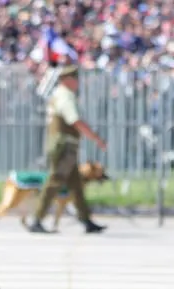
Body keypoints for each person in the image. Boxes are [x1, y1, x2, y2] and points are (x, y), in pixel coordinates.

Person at [28, 65, 106, 235]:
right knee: (55, 181)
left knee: (76, 185)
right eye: (74, 78)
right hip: (64, 147)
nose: (77, 82)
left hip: (63, 146)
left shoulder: (59, 95)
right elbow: (75, 120)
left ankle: (86, 220)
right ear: (66, 80)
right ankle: (37, 219)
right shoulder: (65, 96)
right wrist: (96, 138)